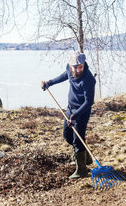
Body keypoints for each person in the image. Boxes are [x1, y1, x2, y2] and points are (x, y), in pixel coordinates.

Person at [41, 51, 96, 179]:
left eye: (80, 67)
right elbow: (64, 75)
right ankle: (86, 157)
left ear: (84, 64)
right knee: (67, 136)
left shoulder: (88, 79)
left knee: (78, 139)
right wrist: (49, 82)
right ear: (70, 66)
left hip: (82, 111)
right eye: (75, 67)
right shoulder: (69, 70)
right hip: (70, 108)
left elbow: (89, 102)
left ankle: (81, 170)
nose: (78, 70)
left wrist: (75, 116)